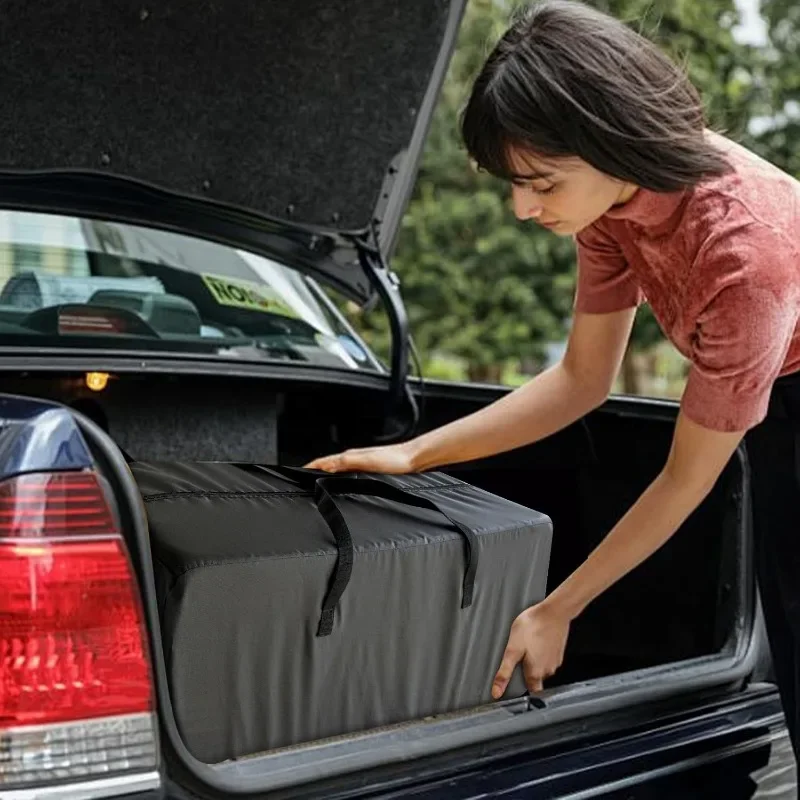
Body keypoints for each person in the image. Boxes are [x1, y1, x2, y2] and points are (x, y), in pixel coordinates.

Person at [306, 0, 800, 762]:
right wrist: (415, 454)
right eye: (511, 180)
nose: (521, 206)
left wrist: (558, 608)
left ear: (610, 141)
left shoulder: (747, 254)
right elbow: (580, 380)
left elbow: (685, 478)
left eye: (539, 182)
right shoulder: (609, 202)